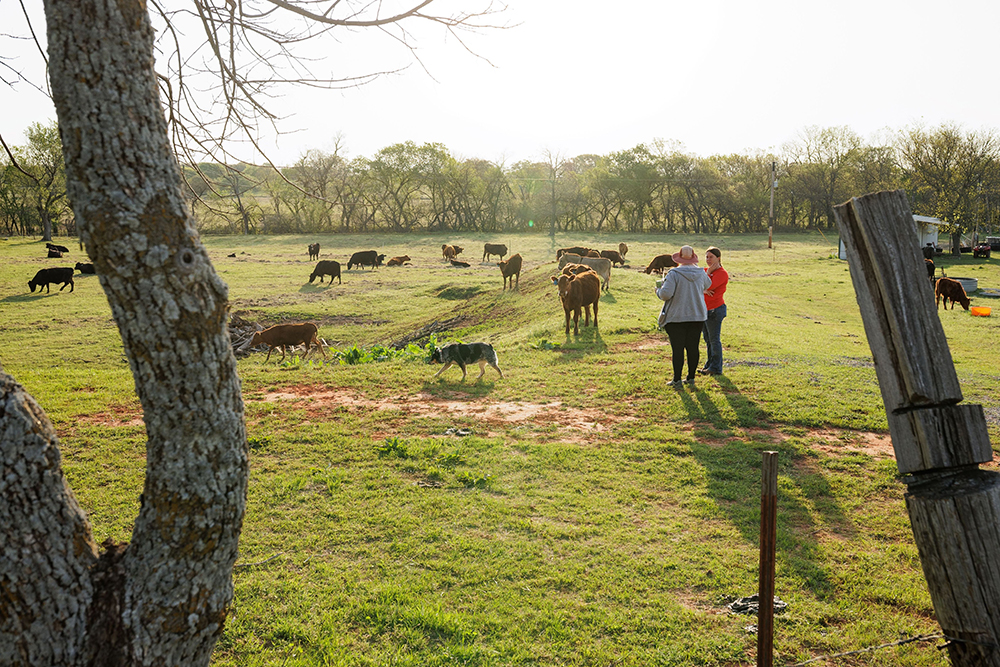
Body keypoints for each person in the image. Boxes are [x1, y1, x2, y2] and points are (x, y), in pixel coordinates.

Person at [656, 245, 711, 387]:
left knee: (678, 349)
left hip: (676, 316)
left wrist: (658, 290)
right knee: (693, 347)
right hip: (697, 316)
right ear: (694, 258)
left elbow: (665, 294)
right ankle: (691, 377)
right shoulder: (700, 272)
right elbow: (707, 285)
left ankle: (677, 379)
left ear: (679, 259)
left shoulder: (674, 274)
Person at [699, 246, 729, 376]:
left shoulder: (722, 273)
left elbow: (708, 285)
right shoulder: (706, 271)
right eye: (706, 257)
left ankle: (716, 368)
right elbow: (696, 286)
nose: (708, 260)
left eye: (711, 257)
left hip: (715, 310)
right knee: (707, 339)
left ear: (718, 258)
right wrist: (703, 289)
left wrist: (706, 280)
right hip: (704, 310)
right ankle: (709, 365)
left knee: (714, 339)